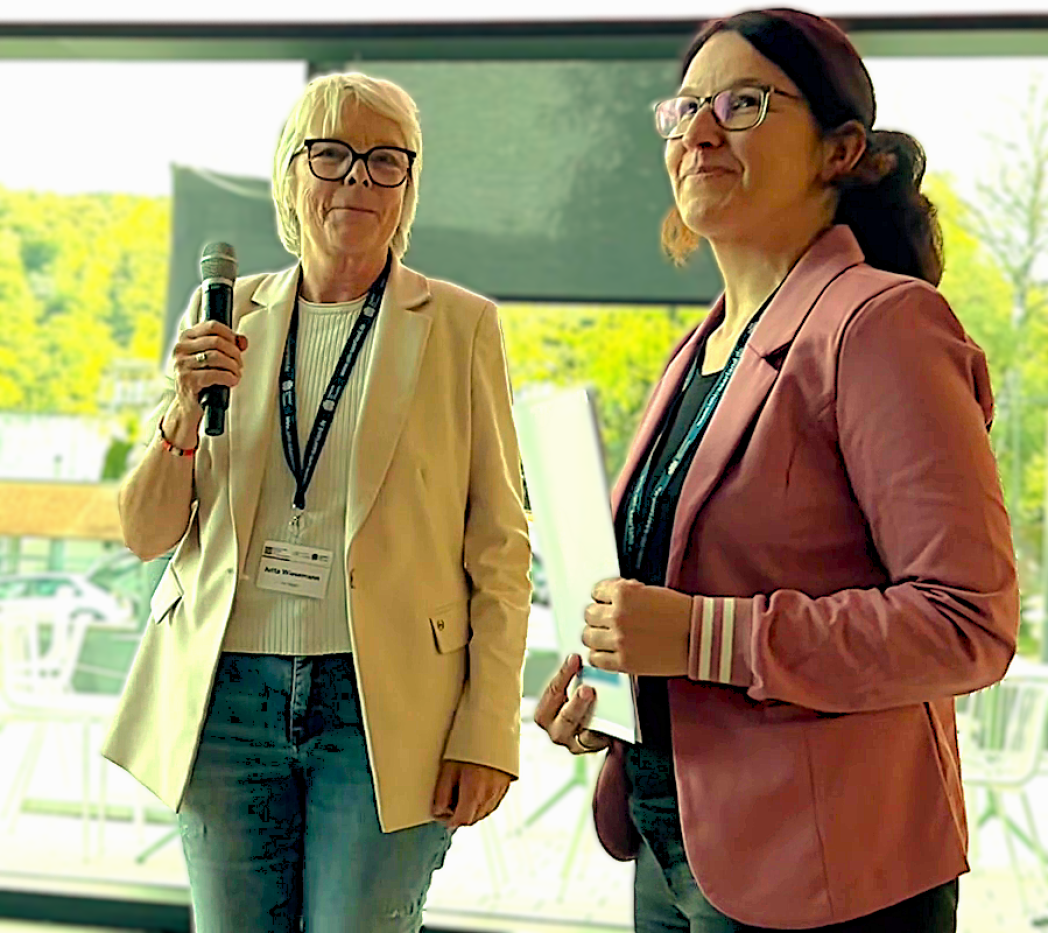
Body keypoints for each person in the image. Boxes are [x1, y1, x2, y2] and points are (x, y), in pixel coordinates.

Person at [535, 9, 1018, 932]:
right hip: (677, 842)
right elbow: (682, 603)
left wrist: (699, 639)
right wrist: (613, 693)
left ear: (840, 150)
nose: (700, 128)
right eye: (683, 110)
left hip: (830, 871)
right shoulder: (700, 349)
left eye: (743, 102)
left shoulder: (881, 323)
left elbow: (968, 624)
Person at [102, 72, 531, 933]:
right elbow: (147, 531)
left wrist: (488, 729)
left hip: (383, 704)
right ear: (291, 174)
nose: (357, 181)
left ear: (409, 185)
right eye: (331, 155)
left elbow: (500, 546)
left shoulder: (459, 326)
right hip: (226, 696)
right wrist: (184, 410)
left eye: (384, 161)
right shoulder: (228, 314)